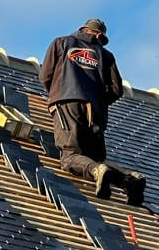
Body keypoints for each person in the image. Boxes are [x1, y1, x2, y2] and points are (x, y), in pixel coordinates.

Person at [39, 19, 147, 206]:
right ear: (98, 35)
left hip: (66, 103)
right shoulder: (106, 55)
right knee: (94, 158)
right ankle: (129, 179)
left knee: (70, 156)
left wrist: (59, 94)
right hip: (95, 110)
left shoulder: (61, 43)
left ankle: (98, 170)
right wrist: (97, 101)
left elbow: (45, 76)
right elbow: (116, 90)